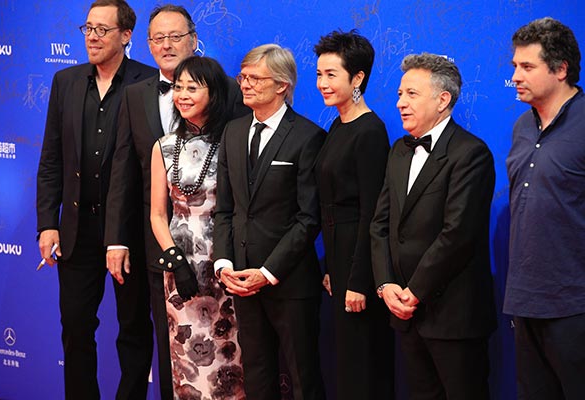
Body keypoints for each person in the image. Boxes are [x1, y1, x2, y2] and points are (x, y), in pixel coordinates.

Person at [104, 5, 249, 399]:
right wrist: (117, 240)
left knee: (231, 360)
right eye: (157, 38)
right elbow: (123, 172)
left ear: (193, 39)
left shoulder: (231, 94)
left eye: (175, 37)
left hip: (227, 254)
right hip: (164, 251)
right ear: (145, 42)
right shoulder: (134, 96)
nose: (166, 45)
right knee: (175, 355)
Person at [36, 0, 156, 398]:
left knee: (135, 328)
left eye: (102, 29)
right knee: (75, 327)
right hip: (77, 228)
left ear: (126, 36)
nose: (92, 36)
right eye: (87, 28)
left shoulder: (150, 82)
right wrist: (47, 223)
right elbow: (51, 158)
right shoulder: (66, 82)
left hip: (130, 230)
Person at [370, 53, 497, 400]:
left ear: (443, 100)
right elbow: (380, 224)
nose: (400, 103)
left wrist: (414, 291)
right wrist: (386, 285)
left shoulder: (471, 154)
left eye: (411, 94)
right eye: (399, 94)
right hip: (406, 314)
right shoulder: (398, 151)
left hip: (453, 315)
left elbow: (457, 234)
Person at [213, 44, 326, 400]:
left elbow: (308, 218)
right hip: (242, 281)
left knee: (303, 377)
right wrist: (225, 262)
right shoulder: (232, 132)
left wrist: (268, 272)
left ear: (282, 85)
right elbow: (225, 208)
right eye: (242, 77)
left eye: (254, 78)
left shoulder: (308, 137)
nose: (244, 84)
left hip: (289, 283)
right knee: (257, 376)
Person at [149, 56, 245, 399]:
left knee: (228, 359)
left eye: (193, 87)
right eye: (178, 87)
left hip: (227, 265)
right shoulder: (164, 146)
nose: (182, 95)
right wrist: (175, 261)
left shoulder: (233, 141)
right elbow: (158, 215)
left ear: (214, 93)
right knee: (186, 357)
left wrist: (227, 259)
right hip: (180, 270)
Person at [505, 17, 585, 400]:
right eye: (514, 67)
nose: (516, 76)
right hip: (525, 300)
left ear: (561, 69)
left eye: (527, 67)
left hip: (575, 304)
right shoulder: (522, 126)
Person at [313, 29, 394, 399]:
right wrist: (331, 265)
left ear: (357, 77)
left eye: (331, 75)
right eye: (319, 74)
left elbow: (372, 212)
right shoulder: (337, 125)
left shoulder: (371, 131)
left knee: (363, 363)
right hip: (339, 258)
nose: (322, 84)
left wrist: (359, 280)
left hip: (360, 265)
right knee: (345, 362)